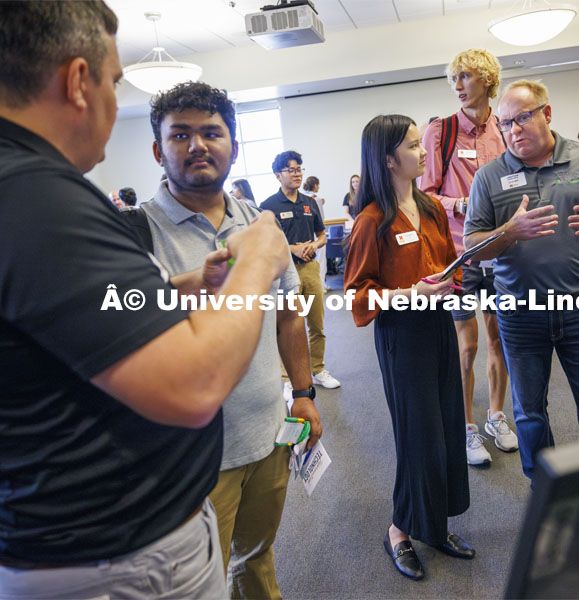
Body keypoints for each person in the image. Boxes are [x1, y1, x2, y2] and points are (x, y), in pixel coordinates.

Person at [0, 2, 290, 598]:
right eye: (114, 83)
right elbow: (194, 387)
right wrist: (259, 261)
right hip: (121, 558)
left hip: (75, 530)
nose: (115, 105)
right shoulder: (25, 194)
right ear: (76, 82)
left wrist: (177, 289)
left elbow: (47, 322)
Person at [137, 81, 323, 599]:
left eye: (211, 133)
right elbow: (121, 328)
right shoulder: (133, 233)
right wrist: (194, 287)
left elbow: (289, 314)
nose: (198, 145)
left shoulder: (259, 224)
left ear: (234, 147)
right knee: (196, 584)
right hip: (190, 455)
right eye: (180, 135)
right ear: (158, 150)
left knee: (256, 555)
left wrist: (303, 394)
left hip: (268, 434)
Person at [463, 80, 579, 481]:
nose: (514, 130)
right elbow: (470, 246)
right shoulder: (490, 176)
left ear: (547, 113)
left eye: (522, 118)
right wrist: (509, 231)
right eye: (505, 124)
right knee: (529, 415)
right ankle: (546, 494)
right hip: (520, 312)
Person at [345, 114, 472, 582]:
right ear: (387, 158)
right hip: (402, 336)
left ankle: (433, 526)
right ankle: (399, 530)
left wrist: (448, 281)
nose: (424, 153)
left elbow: (444, 266)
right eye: (414, 147)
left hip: (438, 326)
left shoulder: (432, 207)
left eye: (422, 144)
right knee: (418, 437)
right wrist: (411, 293)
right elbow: (358, 295)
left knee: (445, 431)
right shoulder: (371, 221)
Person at [419, 48, 515, 467]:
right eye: (453, 79)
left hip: (503, 254)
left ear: (488, 80)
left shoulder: (506, 129)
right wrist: (459, 205)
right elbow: (424, 196)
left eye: (465, 77)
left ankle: (496, 415)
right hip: (459, 256)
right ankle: (467, 426)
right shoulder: (439, 131)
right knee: (466, 346)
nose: (457, 86)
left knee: (500, 340)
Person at [261, 151, 341, 389]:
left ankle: (318, 370)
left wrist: (313, 245)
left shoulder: (309, 203)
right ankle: (286, 380)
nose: (296, 174)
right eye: (290, 170)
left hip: (310, 269)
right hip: (283, 274)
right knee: (286, 327)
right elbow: (263, 242)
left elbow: (322, 235)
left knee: (317, 324)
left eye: (299, 169)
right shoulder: (268, 206)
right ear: (278, 175)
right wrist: (292, 249)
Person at [303, 175, 331, 291]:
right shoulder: (316, 199)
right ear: (315, 186)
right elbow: (321, 217)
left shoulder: (302, 198)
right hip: (318, 234)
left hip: (306, 233)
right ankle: (322, 287)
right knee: (321, 261)